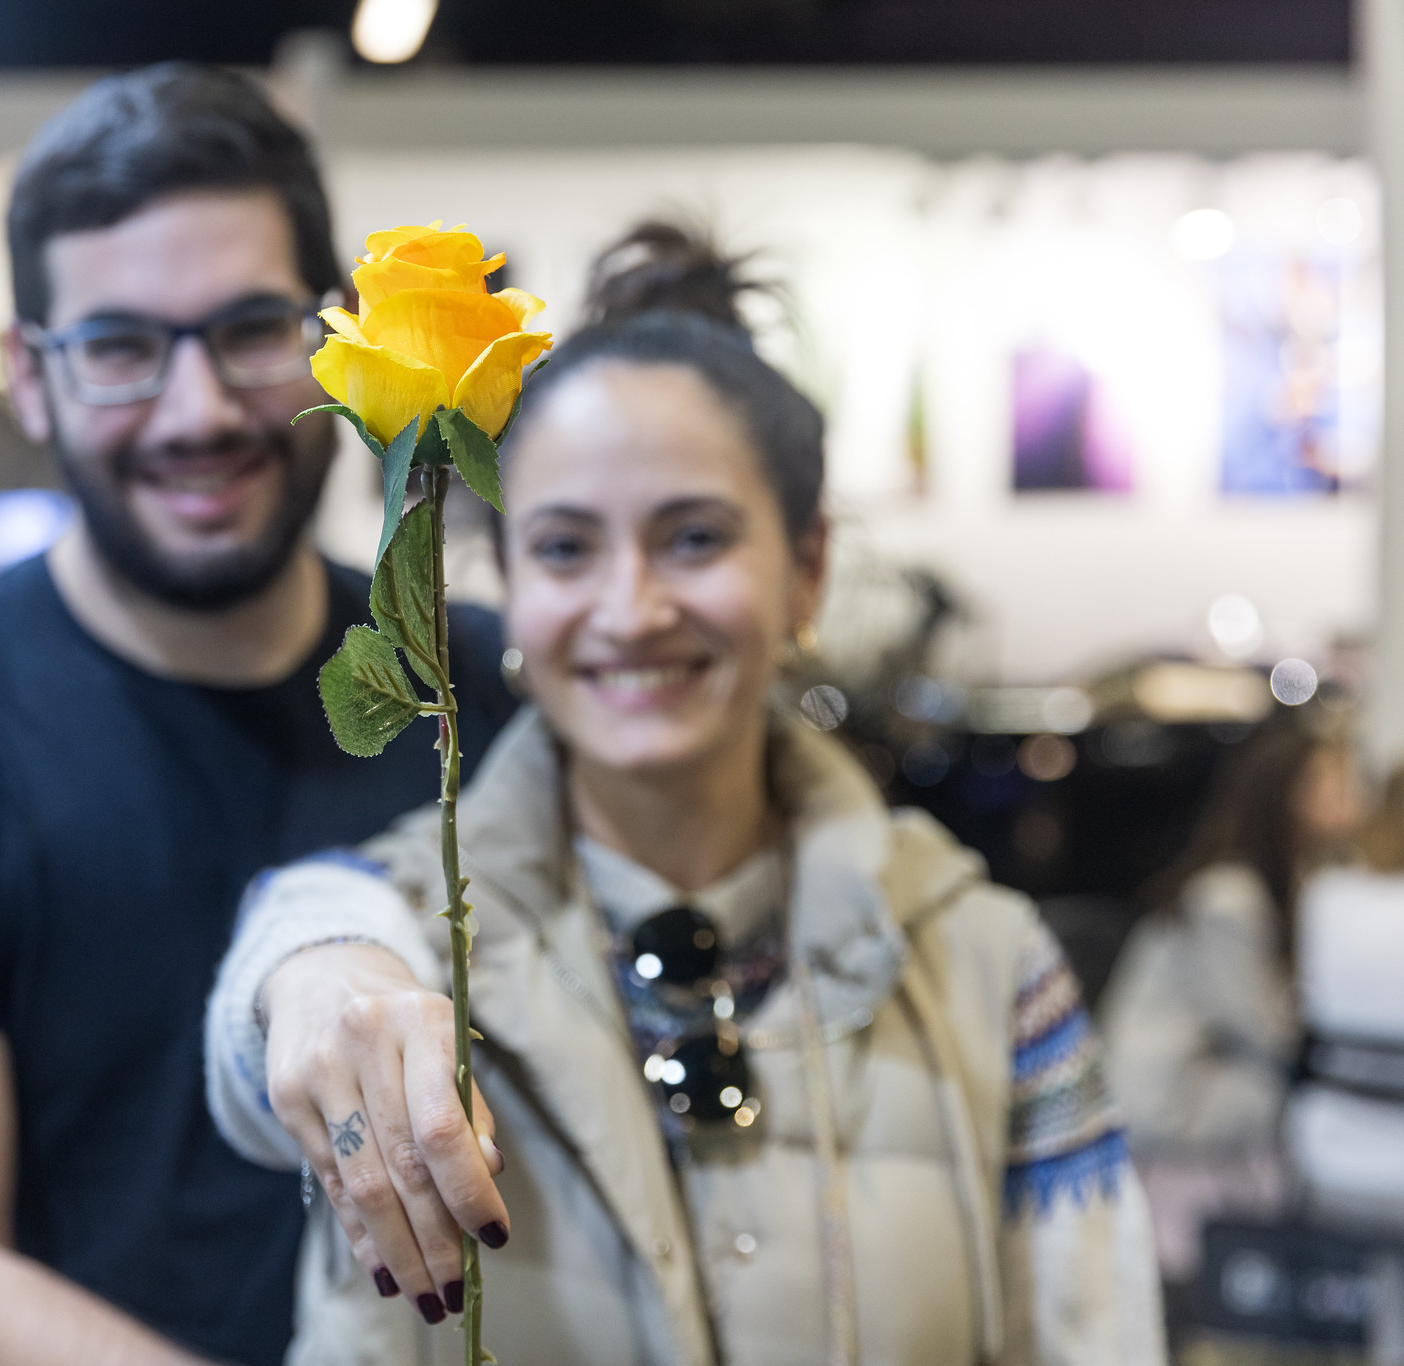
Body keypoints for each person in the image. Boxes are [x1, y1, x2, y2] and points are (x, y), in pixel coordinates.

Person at [204, 222, 1165, 1365]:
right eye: (564, 549)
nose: (631, 607)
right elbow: (286, 990)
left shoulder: (987, 963)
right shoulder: (390, 931)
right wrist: (309, 977)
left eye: (693, 537)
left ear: (804, 566)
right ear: (505, 581)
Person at [0, 65, 517, 1366]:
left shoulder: (481, 684)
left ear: (336, 337)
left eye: (252, 331)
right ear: (32, 379)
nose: (198, 409)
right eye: (118, 349)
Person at [1102, 719, 1366, 1287]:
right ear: (1281, 794)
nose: (1346, 795)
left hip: (1202, 1088)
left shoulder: (1285, 884)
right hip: (1174, 1098)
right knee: (1321, 1114)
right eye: (1325, 780)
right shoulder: (1230, 896)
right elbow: (1270, 1031)